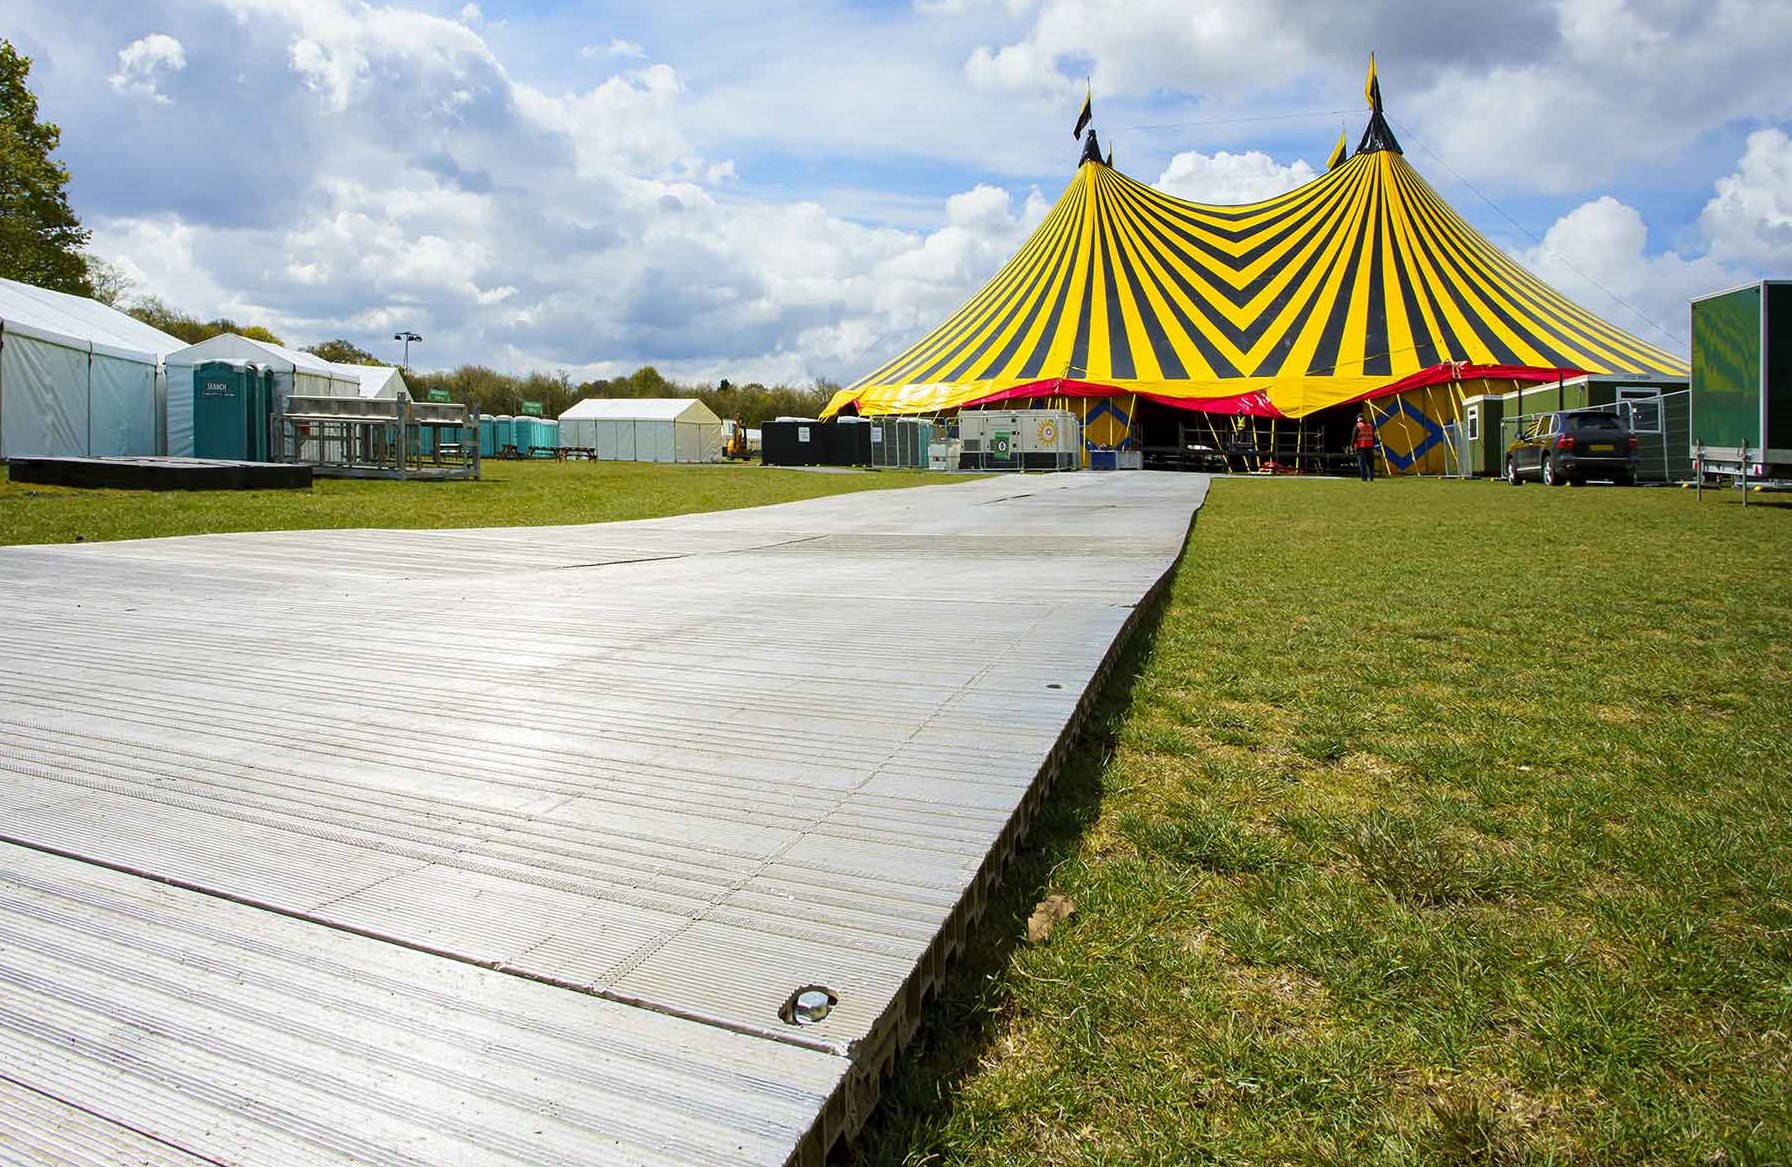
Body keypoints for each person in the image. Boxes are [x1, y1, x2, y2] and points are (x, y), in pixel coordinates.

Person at [1351, 414, 1378, 481]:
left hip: (1361, 447)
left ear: (1360, 418)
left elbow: (1354, 437)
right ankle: (1371, 478)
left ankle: (1364, 478)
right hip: (1370, 447)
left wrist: (1352, 446)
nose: (1357, 419)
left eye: (1357, 418)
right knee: (1370, 463)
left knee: (1362, 463)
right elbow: (1373, 437)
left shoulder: (1358, 425)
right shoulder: (1370, 426)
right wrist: (1373, 445)